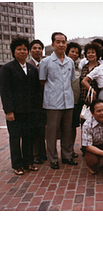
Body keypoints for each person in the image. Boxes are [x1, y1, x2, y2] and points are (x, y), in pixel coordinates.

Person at [0, 37, 41, 175]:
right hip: (15, 111)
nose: (22, 52)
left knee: (28, 136)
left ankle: (29, 162)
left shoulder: (32, 69)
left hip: (30, 110)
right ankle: (17, 165)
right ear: (14, 51)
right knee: (15, 137)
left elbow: (36, 91)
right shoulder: (7, 68)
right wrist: (9, 111)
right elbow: (5, 91)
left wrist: (36, 109)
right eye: (19, 49)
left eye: (24, 49)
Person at [39, 32, 78, 169]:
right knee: (52, 132)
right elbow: (42, 81)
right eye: (58, 42)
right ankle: (53, 158)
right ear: (53, 44)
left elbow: (71, 79)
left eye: (63, 42)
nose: (61, 44)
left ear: (66, 44)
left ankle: (67, 156)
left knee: (67, 130)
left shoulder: (70, 62)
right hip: (52, 102)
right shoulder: (46, 62)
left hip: (68, 101)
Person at [28, 39, 47, 164]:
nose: (37, 50)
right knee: (33, 129)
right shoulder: (28, 65)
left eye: (39, 48)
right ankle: (34, 154)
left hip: (45, 101)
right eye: (34, 48)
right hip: (32, 103)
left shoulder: (45, 64)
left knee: (42, 129)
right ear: (30, 51)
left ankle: (42, 153)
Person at [66, 42, 82, 158]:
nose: (75, 54)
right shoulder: (62, 64)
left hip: (76, 102)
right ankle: (64, 150)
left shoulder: (78, 67)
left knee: (72, 127)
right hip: (64, 102)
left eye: (77, 52)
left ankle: (70, 149)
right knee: (64, 127)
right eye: (72, 51)